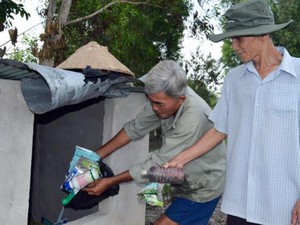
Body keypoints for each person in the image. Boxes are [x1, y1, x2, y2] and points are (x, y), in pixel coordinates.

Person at [164, 0, 300, 225]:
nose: (234, 46)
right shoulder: (234, 79)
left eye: (239, 38)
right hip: (240, 204)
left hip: (283, 207)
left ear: (263, 34)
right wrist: (179, 160)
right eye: (232, 39)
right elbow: (219, 129)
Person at [84, 60, 226, 225]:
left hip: (202, 185)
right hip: (179, 178)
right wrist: (96, 155)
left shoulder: (193, 118)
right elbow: (134, 128)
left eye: (158, 103)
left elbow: (156, 166)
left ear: (181, 100)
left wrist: (110, 182)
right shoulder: (163, 99)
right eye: (150, 101)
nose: (154, 107)